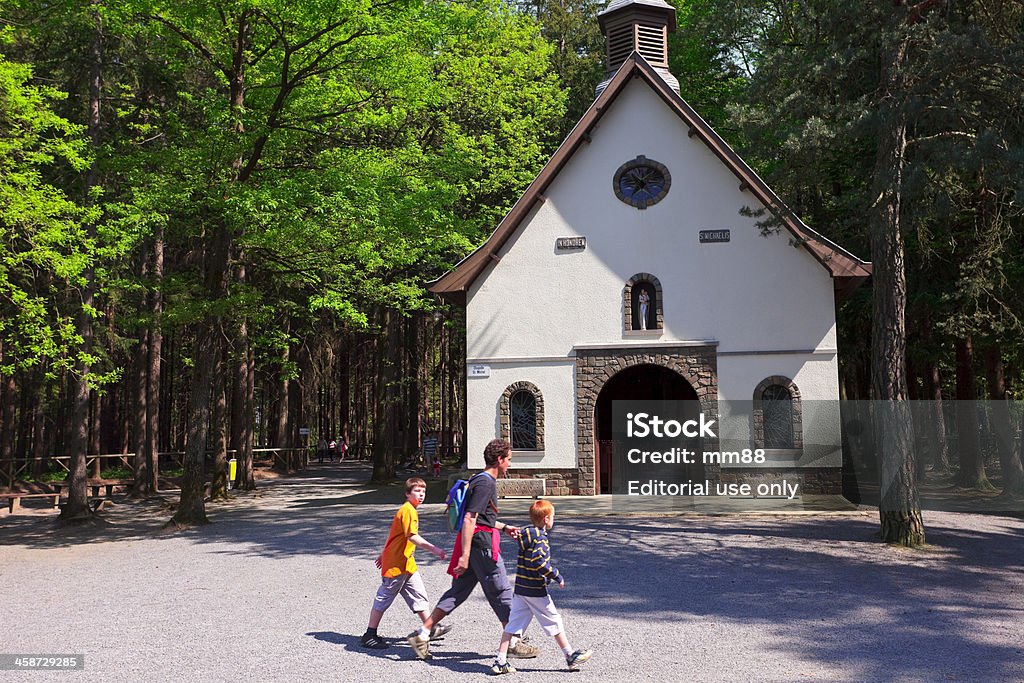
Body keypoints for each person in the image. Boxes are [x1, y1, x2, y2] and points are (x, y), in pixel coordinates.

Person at [407, 439, 539, 661]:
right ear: (499, 459)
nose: (510, 465)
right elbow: (470, 519)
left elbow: (482, 518)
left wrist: (504, 527)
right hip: (481, 546)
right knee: (502, 592)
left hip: (476, 542)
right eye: (509, 460)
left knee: (457, 593)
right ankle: (514, 642)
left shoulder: (477, 479)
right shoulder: (486, 483)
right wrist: (465, 557)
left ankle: (422, 634)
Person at [490, 500, 592, 674]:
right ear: (546, 519)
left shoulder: (526, 534)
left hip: (521, 588)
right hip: (536, 590)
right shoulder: (541, 539)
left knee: (512, 625)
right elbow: (540, 562)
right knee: (554, 620)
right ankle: (569, 655)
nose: (553, 520)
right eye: (552, 517)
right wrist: (556, 575)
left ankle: (500, 661)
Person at [360, 477, 450, 650]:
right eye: (417, 491)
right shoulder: (408, 510)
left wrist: (383, 553)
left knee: (419, 595)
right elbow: (411, 536)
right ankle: (370, 635)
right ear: (407, 493)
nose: (421, 494)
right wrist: (435, 549)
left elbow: (394, 535)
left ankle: (429, 628)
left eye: (423, 491)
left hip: (407, 563)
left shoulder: (410, 510)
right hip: (396, 565)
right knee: (384, 598)